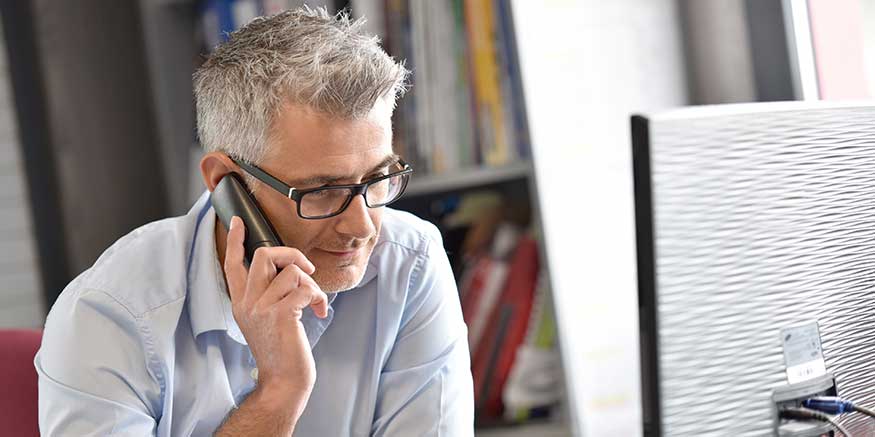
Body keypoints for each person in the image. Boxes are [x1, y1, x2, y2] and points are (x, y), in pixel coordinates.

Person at [35, 7, 473, 436]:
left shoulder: (408, 262)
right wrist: (279, 394)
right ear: (226, 182)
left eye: (378, 179)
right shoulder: (110, 315)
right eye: (322, 190)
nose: (361, 227)